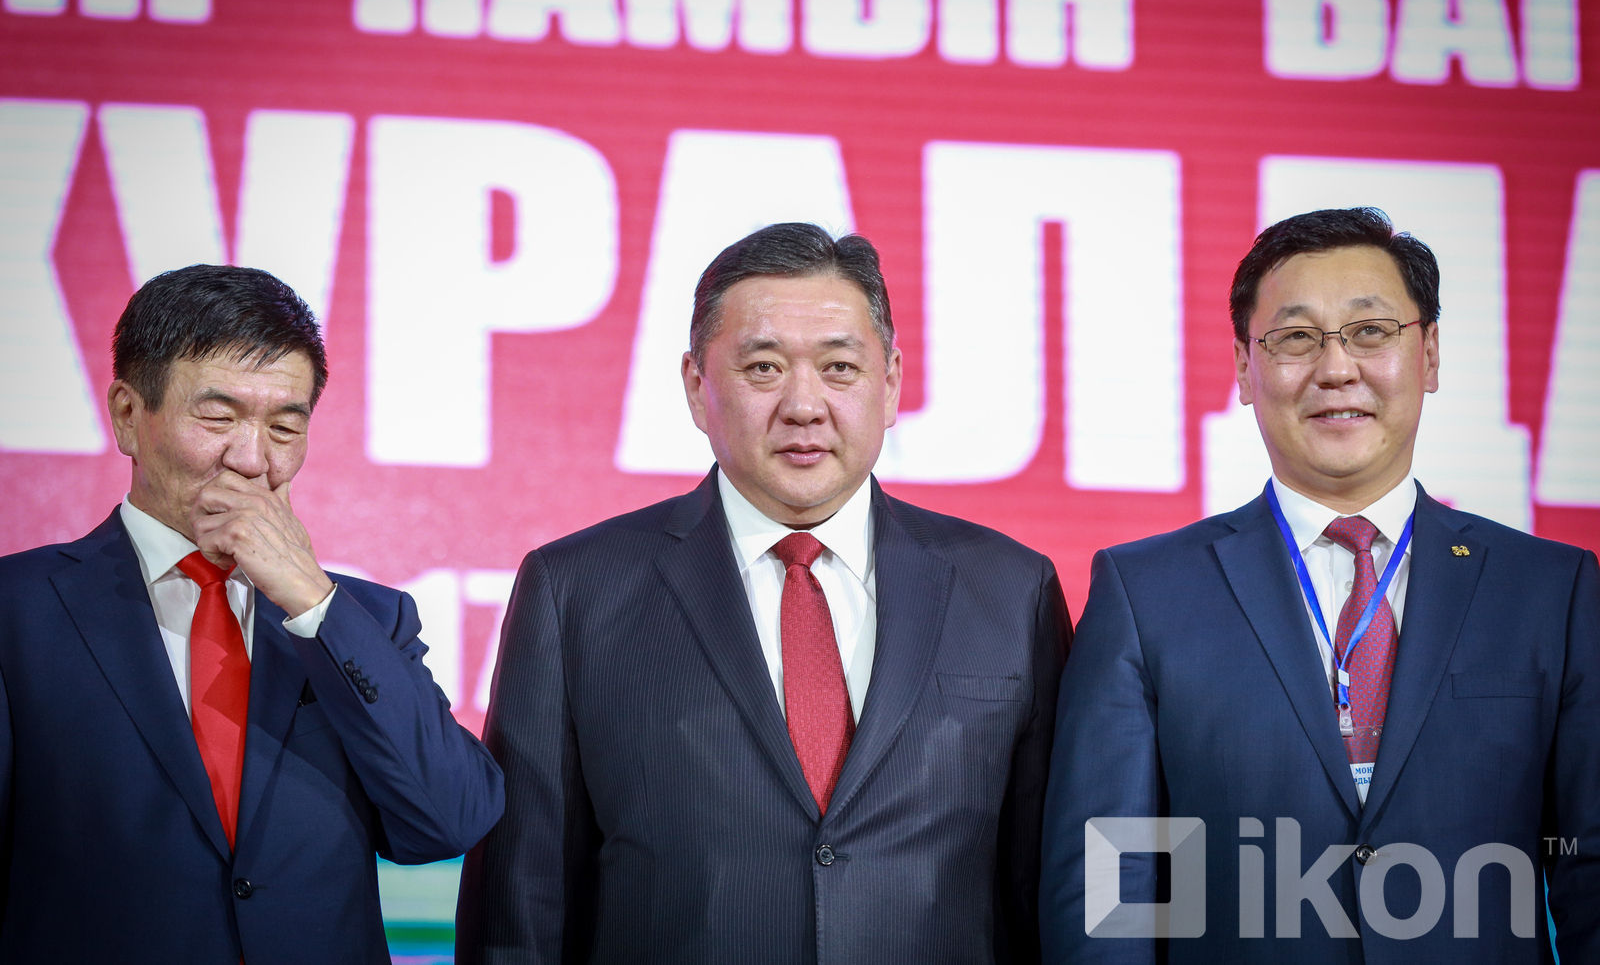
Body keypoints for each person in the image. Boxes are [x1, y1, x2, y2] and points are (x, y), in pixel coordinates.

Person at [457, 222, 1071, 963]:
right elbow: (518, 904)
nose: (804, 405)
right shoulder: (576, 592)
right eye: (764, 368)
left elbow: (1056, 881)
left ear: (890, 383)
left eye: (840, 367)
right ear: (696, 386)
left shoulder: (1011, 590)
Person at [1039, 207, 1599, 962]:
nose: (1336, 369)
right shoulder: (1146, 595)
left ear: (1430, 355)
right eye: (1296, 338)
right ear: (1245, 368)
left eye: (1371, 331)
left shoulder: (1549, 592)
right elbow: (1109, 886)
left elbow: (1590, 865)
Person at [0, 264, 504, 962]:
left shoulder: (366, 620)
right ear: (127, 415)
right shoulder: (18, 611)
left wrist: (313, 602)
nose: (251, 459)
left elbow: (450, 820)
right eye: (218, 417)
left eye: (285, 427)